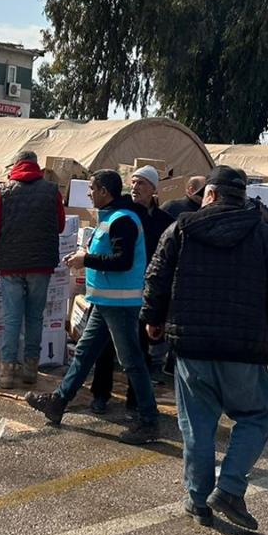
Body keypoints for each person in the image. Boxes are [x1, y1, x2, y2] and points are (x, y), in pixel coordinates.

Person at [141, 165, 268, 531]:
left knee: (197, 425)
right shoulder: (263, 236)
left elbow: (157, 274)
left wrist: (152, 317)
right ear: (242, 197)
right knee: (255, 415)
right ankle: (229, 487)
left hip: (192, 346)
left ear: (209, 194)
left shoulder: (182, 229)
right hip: (244, 348)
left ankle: (198, 499)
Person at [26, 170, 161, 444]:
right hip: (105, 301)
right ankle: (59, 401)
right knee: (84, 353)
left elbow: (122, 261)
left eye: (92, 188)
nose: (88, 193)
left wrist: (85, 259)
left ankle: (149, 420)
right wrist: (84, 257)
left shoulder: (122, 220)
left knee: (131, 361)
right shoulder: (110, 218)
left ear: (104, 191)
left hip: (121, 303)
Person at [91, 166, 173, 412]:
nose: (136, 187)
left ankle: (136, 399)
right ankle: (100, 394)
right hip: (118, 288)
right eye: (134, 182)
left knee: (140, 345)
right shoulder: (123, 214)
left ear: (153, 189)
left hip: (146, 289)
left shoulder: (163, 220)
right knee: (105, 344)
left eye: (142, 183)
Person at [0, 151, 65, 388]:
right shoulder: (52, 191)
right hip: (41, 264)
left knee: (11, 318)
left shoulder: (4, 192)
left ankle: (7, 371)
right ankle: (31, 369)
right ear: (36, 166)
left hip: (11, 265)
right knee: (34, 317)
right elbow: (60, 226)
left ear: (17, 165)